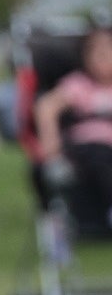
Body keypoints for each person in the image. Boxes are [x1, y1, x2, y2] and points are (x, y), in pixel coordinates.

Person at [34, 20, 112, 227]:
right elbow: (46, 108)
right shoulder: (79, 84)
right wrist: (52, 150)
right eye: (96, 51)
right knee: (102, 157)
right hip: (90, 148)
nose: (104, 56)